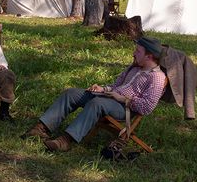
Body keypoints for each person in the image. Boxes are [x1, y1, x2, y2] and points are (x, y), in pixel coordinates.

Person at [23, 36, 167, 152]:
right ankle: (42, 128)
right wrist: (103, 89)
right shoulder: (134, 68)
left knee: (97, 104)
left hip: (125, 109)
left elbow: (147, 107)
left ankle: (65, 141)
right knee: (71, 93)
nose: (134, 53)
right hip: (109, 98)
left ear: (149, 56)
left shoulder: (157, 77)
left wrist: (123, 98)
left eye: (138, 51)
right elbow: (116, 86)